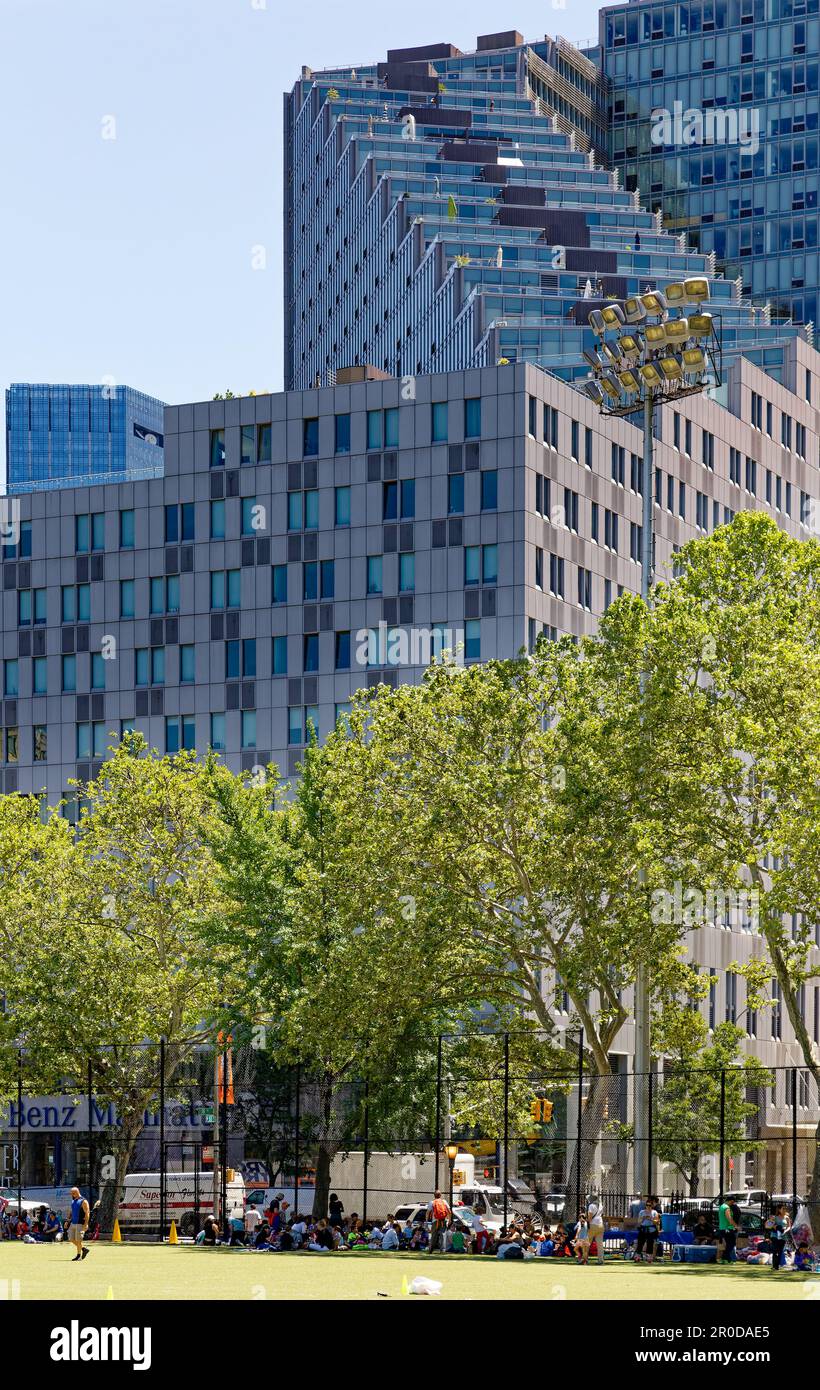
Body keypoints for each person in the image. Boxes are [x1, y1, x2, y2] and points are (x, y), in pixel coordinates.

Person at [67, 1187, 90, 1262]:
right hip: (73, 1223)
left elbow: (87, 1213)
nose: (72, 1195)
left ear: (77, 1192)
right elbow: (71, 1212)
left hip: (80, 1224)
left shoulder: (83, 1201)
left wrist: (86, 1224)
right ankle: (83, 1249)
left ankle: (78, 1256)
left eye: (73, 1193)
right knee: (71, 1238)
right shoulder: (73, 1201)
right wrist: (67, 1221)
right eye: (71, 1194)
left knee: (78, 1240)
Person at [634, 1197, 660, 1263]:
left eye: (649, 1205)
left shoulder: (654, 1212)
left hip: (651, 1230)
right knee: (640, 1243)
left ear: (652, 1206)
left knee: (650, 1243)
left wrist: (650, 1218)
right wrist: (643, 1218)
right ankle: (638, 1256)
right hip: (643, 1229)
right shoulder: (642, 1212)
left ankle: (649, 1257)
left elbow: (657, 1222)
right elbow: (639, 1222)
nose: (648, 1207)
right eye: (647, 1205)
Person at [767, 1206, 791, 1271]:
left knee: (780, 1252)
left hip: (783, 1236)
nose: (784, 1210)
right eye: (783, 1209)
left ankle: (777, 1266)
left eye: (785, 1209)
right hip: (774, 1236)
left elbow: (789, 1227)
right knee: (775, 1251)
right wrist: (774, 1226)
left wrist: (785, 1231)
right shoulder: (775, 1217)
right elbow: (768, 1225)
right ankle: (774, 1266)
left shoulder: (787, 1218)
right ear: (779, 1210)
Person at [717, 1196, 738, 1263]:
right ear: (731, 1201)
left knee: (728, 1244)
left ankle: (728, 1259)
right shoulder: (726, 1208)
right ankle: (725, 1258)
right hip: (728, 1229)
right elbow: (729, 1219)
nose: (733, 1203)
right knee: (731, 1244)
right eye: (733, 1202)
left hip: (722, 1228)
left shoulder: (721, 1206)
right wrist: (736, 1226)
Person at [587, 1197, 605, 1265]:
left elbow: (590, 1216)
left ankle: (585, 1259)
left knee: (587, 1243)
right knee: (600, 1244)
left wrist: (587, 1221)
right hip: (600, 1224)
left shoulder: (591, 1206)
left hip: (593, 1225)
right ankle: (601, 1260)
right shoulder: (600, 1205)